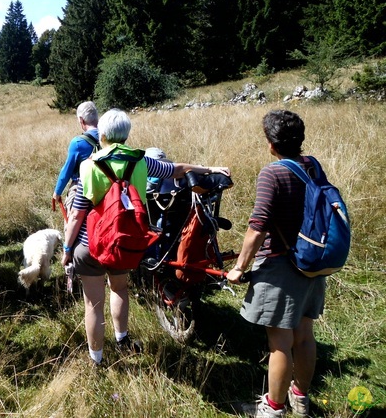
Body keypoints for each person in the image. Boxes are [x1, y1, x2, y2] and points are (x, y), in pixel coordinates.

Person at [61, 108, 230, 366]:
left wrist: (67, 248)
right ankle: (122, 339)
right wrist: (209, 168)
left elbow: (76, 216)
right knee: (119, 289)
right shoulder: (141, 161)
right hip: (124, 242)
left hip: (90, 244)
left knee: (93, 304)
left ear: (102, 134)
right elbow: (176, 169)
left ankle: (96, 360)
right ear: (127, 135)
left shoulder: (89, 166)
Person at [227, 110, 325, 418]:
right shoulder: (313, 166)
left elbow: (258, 227)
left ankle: (273, 408)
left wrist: (239, 267)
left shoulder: (273, 173)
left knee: (280, 344)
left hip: (281, 265)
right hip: (312, 263)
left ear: (271, 144)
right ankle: (300, 397)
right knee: (305, 335)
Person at [53, 101, 99, 211]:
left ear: (81, 120)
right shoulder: (109, 136)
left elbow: (67, 170)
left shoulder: (77, 143)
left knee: (71, 223)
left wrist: (57, 192)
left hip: (82, 188)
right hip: (107, 186)